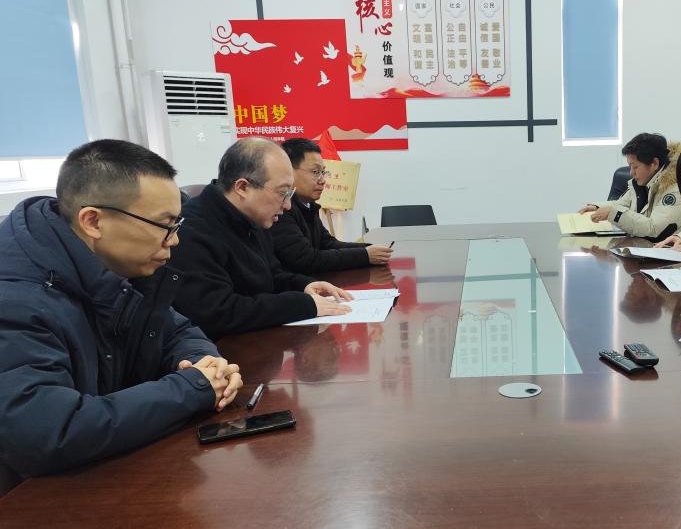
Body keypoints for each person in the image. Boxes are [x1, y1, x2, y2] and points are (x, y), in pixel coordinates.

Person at [0, 139, 243, 488]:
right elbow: (48, 432)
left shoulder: (116, 264)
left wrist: (202, 364)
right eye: (164, 225)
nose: (174, 240)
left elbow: (176, 329)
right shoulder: (16, 300)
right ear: (93, 221)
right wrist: (191, 389)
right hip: (29, 502)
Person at [170, 138, 352, 340]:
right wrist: (302, 304)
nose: (287, 205)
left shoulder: (253, 217)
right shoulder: (192, 230)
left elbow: (272, 275)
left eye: (290, 193)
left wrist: (303, 285)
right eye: (283, 193)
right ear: (242, 187)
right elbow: (216, 312)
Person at [272, 138, 393, 274]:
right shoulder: (280, 210)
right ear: (288, 171)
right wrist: (365, 255)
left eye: (323, 172)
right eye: (315, 172)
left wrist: (369, 249)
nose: (323, 180)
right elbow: (306, 259)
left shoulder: (308, 205)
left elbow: (328, 244)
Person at [578, 132, 681, 242]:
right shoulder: (643, 181)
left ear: (655, 163)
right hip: (645, 248)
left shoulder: (677, 188)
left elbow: (654, 229)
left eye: (635, 167)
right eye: (630, 166)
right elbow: (620, 204)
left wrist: (613, 214)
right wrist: (597, 207)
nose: (631, 173)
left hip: (672, 251)